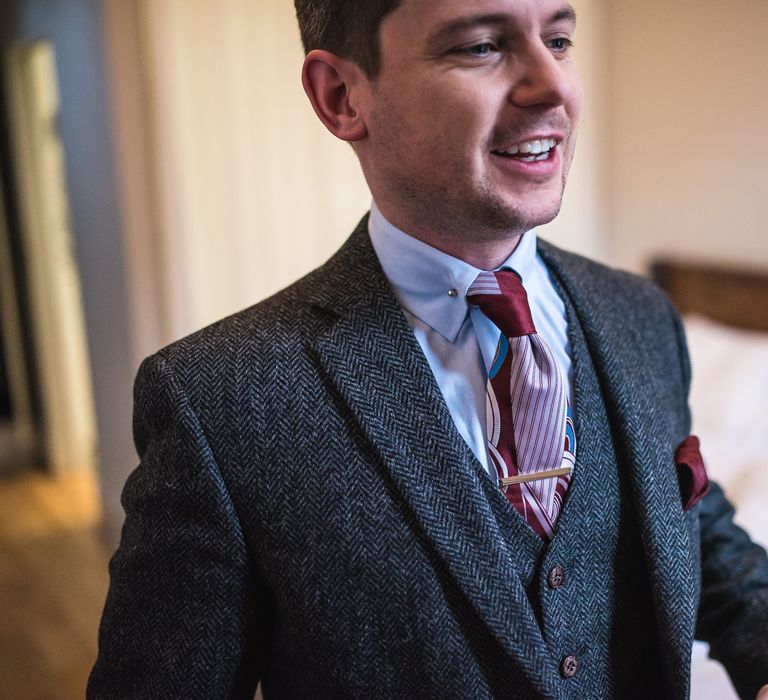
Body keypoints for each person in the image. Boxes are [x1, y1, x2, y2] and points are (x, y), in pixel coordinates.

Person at [88, 1, 768, 698]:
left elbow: (696, 525)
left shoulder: (642, 315)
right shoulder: (219, 399)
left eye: (559, 39)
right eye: (480, 47)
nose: (554, 86)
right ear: (342, 96)